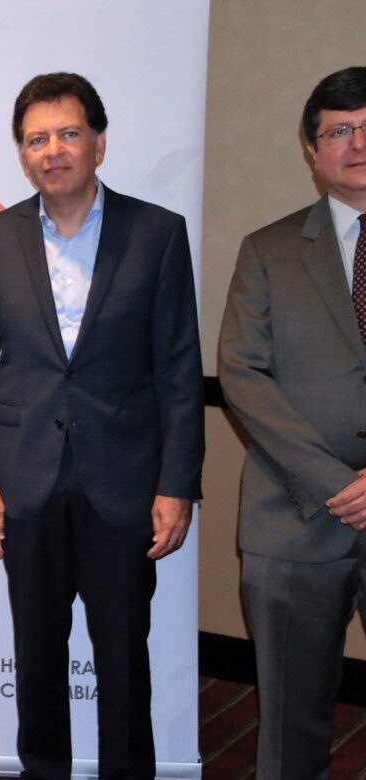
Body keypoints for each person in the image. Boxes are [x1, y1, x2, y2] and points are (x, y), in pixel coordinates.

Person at [0, 72, 203, 779]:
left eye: (68, 134)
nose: (53, 151)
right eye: (37, 140)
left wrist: (177, 485)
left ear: (98, 142)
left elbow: (179, 373)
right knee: (36, 654)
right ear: (22, 153)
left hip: (123, 485)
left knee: (123, 654)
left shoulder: (157, 234)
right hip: (24, 484)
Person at [218, 66, 366, 780]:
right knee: (290, 725)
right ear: (312, 149)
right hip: (294, 519)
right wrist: (336, 481)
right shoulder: (267, 250)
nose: (357, 143)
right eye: (339, 131)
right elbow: (242, 373)